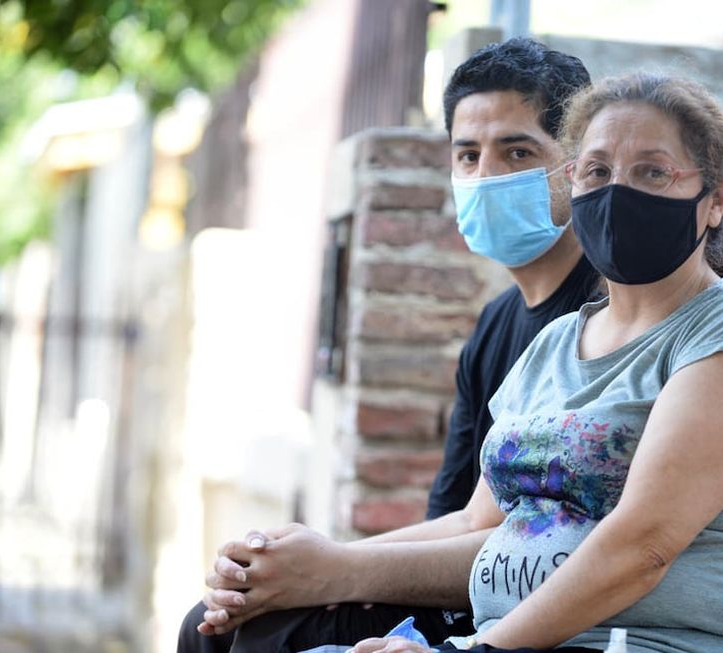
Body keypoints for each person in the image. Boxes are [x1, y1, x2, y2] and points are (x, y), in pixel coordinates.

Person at [190, 71, 723, 653]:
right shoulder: (552, 345)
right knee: (227, 634)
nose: (617, 192)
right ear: (572, 181)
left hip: (671, 641)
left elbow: (644, 545)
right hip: (514, 639)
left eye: (652, 173)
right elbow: (475, 520)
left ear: (716, 198)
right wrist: (316, 563)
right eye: (597, 171)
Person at [177, 38, 601, 653]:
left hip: (529, 610)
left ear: (575, 163)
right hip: (472, 581)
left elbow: (534, 541)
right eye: (467, 155)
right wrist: (289, 569)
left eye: (517, 152)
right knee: (215, 620)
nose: (486, 177)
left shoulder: (604, 314)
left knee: (256, 636)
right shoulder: (495, 326)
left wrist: (332, 571)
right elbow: (456, 518)